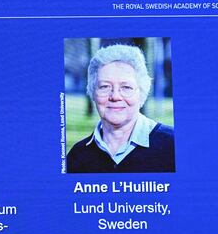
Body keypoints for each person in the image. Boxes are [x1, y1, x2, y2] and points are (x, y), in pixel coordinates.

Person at [67, 44, 174, 173]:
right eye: (105, 87)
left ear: (141, 93)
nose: (115, 96)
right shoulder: (76, 156)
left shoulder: (173, 146)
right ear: (92, 92)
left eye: (126, 87)